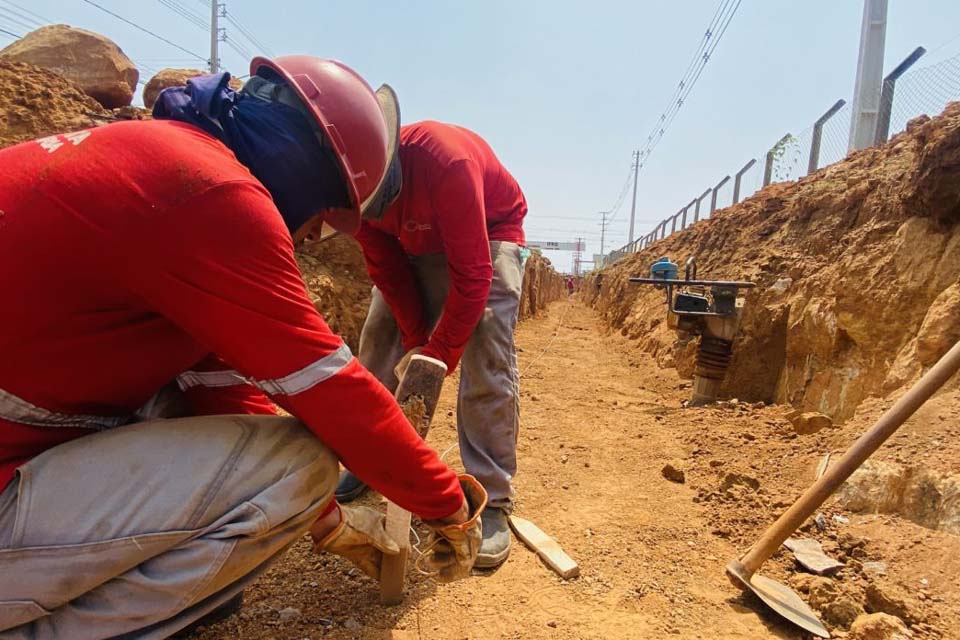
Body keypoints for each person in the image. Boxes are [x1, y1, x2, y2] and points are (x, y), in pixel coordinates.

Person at [0, 56, 485, 639]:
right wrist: (447, 504)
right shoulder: (212, 194)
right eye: (325, 224)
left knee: (174, 413)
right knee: (305, 462)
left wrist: (329, 525)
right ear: (308, 173)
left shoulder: (145, 160)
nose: (310, 239)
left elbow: (219, 394)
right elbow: (333, 392)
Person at [309, 120, 527, 569]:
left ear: (386, 177)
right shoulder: (354, 190)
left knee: (485, 339)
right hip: (415, 240)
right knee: (379, 331)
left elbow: (472, 276)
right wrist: (415, 343)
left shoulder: (447, 162)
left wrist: (439, 357)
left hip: (488, 232)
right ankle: (373, 462)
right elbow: (388, 273)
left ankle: (492, 498)